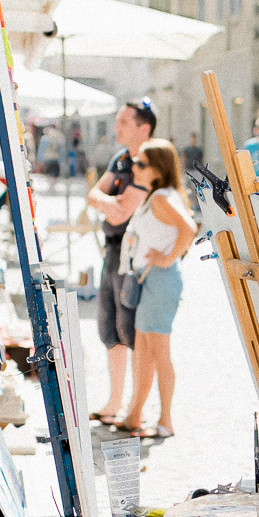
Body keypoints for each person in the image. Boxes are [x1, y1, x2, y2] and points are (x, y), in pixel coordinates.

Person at [115, 141, 196, 439]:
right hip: (150, 279)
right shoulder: (157, 196)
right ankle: (135, 414)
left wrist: (168, 257)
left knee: (159, 353)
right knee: (145, 353)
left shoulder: (162, 198)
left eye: (141, 162)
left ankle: (166, 422)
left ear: (158, 168)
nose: (135, 166)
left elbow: (189, 228)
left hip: (159, 279)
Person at [86, 99, 157, 423]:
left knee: (133, 330)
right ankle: (115, 402)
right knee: (110, 329)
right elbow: (94, 195)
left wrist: (108, 201)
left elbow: (126, 209)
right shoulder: (120, 158)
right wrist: (108, 201)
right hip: (112, 251)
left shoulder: (151, 160)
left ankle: (136, 407)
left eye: (123, 122)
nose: (116, 128)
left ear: (144, 127)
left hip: (136, 256)